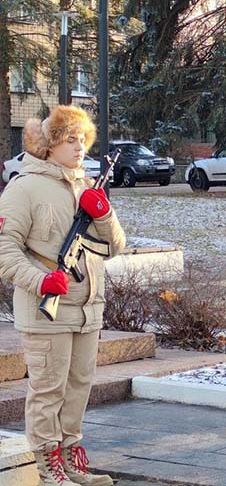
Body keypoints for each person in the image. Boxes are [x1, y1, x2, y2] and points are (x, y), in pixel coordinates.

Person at [0, 105, 126, 486]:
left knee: (77, 389)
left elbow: (116, 246)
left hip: (88, 308)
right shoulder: (24, 187)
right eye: (69, 139)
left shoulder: (88, 186)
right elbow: (5, 249)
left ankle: (71, 458)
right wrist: (40, 282)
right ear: (50, 144)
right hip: (46, 311)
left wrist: (102, 214)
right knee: (48, 389)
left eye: (82, 139)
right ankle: (47, 464)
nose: (79, 147)